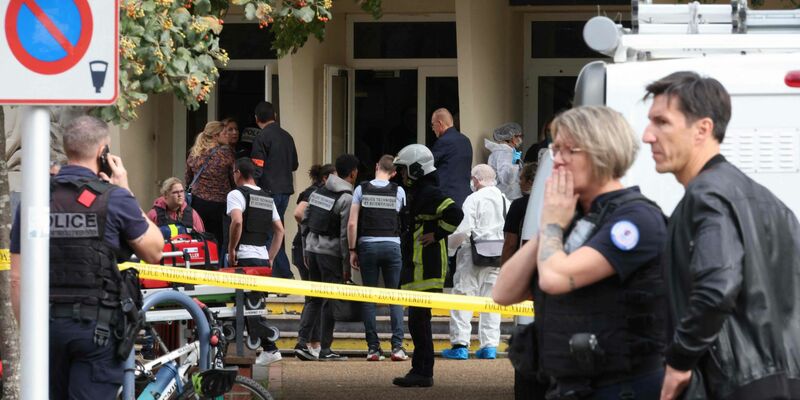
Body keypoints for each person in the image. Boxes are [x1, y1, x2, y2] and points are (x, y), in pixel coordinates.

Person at [643, 72, 800, 400]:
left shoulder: (707, 195)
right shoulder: (772, 203)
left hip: (733, 384)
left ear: (702, 128)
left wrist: (679, 362)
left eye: (662, 122)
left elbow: (717, 287)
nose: (647, 136)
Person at [493, 106, 668, 400]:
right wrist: (550, 226)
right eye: (553, 149)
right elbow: (503, 292)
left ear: (602, 152)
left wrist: (550, 226)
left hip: (621, 386)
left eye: (567, 150)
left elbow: (555, 280)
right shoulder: (569, 219)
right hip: (568, 384)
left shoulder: (635, 220)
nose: (555, 160)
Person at [10, 115, 163, 399]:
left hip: (46, 328)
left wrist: (30, 334)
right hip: (97, 332)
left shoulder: (36, 198)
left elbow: (17, 279)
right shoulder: (115, 198)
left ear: (68, 149)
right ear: (102, 152)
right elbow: (155, 251)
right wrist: (125, 187)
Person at [392, 144, 464, 388]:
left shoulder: (430, 192)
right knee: (417, 321)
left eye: (404, 171)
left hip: (427, 268)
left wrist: (436, 234)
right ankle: (420, 370)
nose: (402, 176)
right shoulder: (421, 192)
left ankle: (423, 372)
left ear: (415, 169)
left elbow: (455, 213)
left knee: (419, 322)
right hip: (418, 267)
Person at [293, 154, 359, 361]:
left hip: (312, 250)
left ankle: (302, 343)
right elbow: (343, 235)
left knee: (313, 299)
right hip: (330, 255)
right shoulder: (347, 198)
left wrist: (305, 250)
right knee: (329, 301)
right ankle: (325, 349)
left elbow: (305, 220)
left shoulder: (319, 192)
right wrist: (346, 263)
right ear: (353, 173)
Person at [346, 155, 409, 362]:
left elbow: (352, 224)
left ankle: (373, 348)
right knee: (395, 297)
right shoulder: (398, 191)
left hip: (367, 246)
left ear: (376, 166)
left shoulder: (360, 189)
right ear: (393, 173)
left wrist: (352, 249)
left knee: (369, 297)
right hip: (392, 245)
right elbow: (402, 219)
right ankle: (397, 347)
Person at [442, 164, 508, 361]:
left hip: (473, 254)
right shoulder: (505, 200)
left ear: (476, 180)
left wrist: (450, 252)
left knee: (463, 296)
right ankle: (489, 346)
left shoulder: (473, 199)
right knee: (491, 301)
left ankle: (460, 345)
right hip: (498, 255)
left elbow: (462, 230)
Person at [226, 157, 285, 366]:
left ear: (238, 173)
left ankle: (269, 347)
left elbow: (237, 221)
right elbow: (280, 231)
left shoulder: (236, 194)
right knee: (254, 306)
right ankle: (265, 347)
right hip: (261, 259)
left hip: (244, 257)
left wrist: (232, 248)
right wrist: (270, 257)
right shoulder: (267, 197)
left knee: (245, 306)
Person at [292, 164, 335, 360]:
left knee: (316, 297)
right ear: (326, 178)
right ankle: (306, 342)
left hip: (308, 248)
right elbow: (299, 214)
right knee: (314, 298)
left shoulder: (318, 192)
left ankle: (313, 343)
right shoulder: (314, 193)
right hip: (306, 249)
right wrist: (311, 231)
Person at [250, 101, 299, 279]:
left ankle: (283, 275)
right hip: (285, 191)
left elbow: (257, 168)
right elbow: (294, 164)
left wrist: (251, 188)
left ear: (256, 119)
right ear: (275, 116)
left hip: (266, 192)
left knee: (269, 235)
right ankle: (281, 275)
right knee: (277, 232)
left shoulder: (261, 138)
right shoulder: (287, 136)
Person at [185, 120, 235, 254]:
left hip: (198, 202)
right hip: (220, 205)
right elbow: (233, 179)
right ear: (215, 136)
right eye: (225, 133)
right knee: (218, 240)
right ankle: (215, 267)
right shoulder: (225, 154)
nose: (228, 136)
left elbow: (188, 179)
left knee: (199, 238)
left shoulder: (194, 153)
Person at [430, 108, 473, 208]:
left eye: (433, 125)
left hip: (447, 197)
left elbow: (428, 165)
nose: (432, 129)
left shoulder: (443, 141)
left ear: (439, 123)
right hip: (465, 195)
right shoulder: (466, 140)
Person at [500, 163, 537, 265]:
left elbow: (510, 244)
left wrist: (503, 273)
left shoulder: (519, 205)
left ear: (529, 182)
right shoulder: (554, 205)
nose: (519, 183)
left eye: (521, 179)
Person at [485, 122, 524, 201]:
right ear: (510, 138)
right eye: (517, 136)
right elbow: (507, 180)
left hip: (510, 196)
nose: (520, 139)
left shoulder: (509, 152)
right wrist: (515, 164)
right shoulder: (504, 153)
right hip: (508, 198)